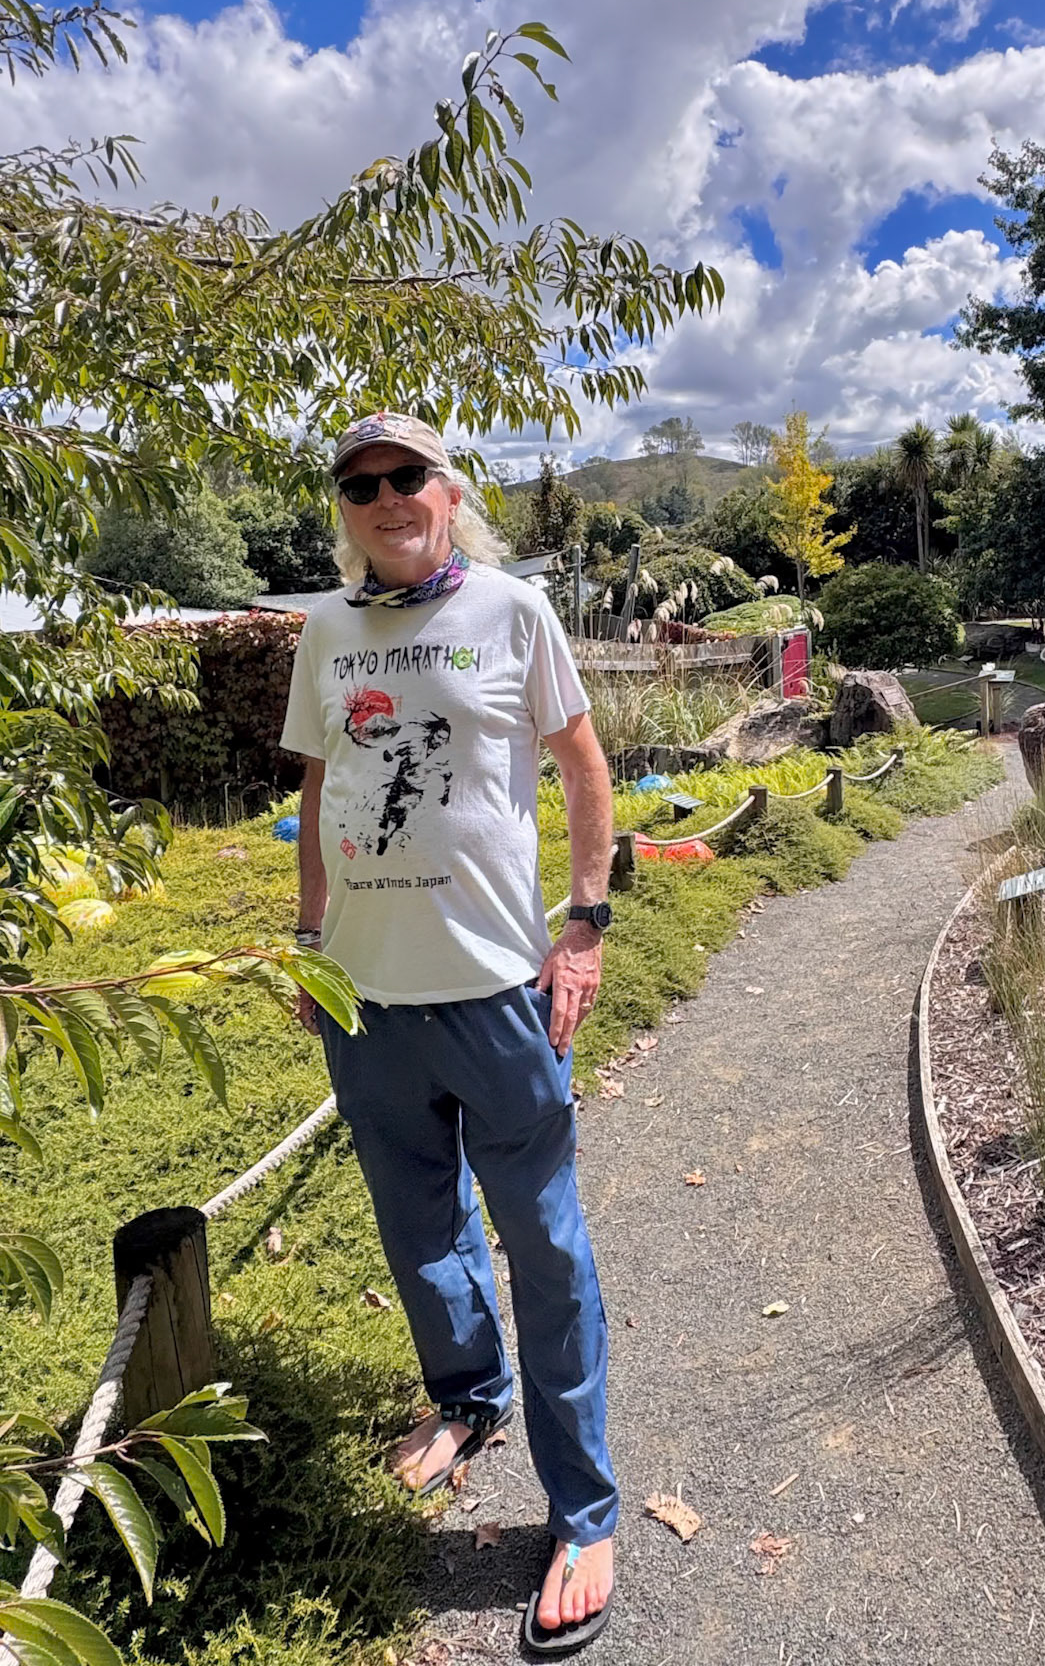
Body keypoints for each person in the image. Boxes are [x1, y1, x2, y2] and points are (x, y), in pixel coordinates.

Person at [280, 410, 617, 1654]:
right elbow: (321, 787)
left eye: (405, 474)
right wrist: (307, 941)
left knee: (544, 1243)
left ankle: (584, 1508)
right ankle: (469, 1396)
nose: (384, 496)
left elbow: (584, 766)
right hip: (366, 997)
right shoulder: (324, 628)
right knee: (418, 1225)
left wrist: (585, 923)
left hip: (496, 991)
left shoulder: (514, 612)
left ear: (448, 488)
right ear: (346, 506)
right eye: (359, 482)